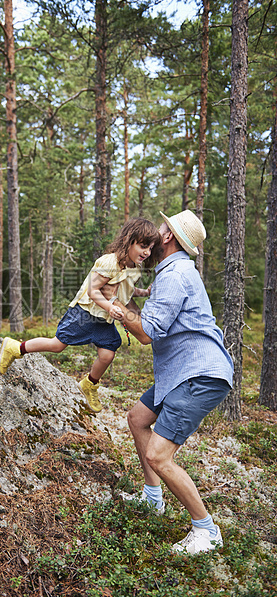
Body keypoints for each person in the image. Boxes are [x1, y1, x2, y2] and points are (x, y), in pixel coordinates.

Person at [104, 209, 234, 555]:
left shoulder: (176, 274)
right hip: (179, 372)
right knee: (137, 418)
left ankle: (206, 531)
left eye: (159, 230)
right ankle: (152, 498)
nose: (152, 236)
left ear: (168, 237)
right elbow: (150, 317)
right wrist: (125, 294)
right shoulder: (169, 273)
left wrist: (118, 306)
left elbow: (147, 332)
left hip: (198, 374)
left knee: (159, 456)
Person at [0, 218, 161, 413]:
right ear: (129, 240)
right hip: (84, 313)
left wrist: (144, 293)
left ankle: (89, 384)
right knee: (57, 345)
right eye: (143, 246)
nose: (147, 253)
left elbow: (127, 289)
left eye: (150, 248)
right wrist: (109, 307)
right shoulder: (109, 262)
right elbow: (93, 291)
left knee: (107, 354)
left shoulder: (134, 266)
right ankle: (15, 348)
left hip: (103, 319)